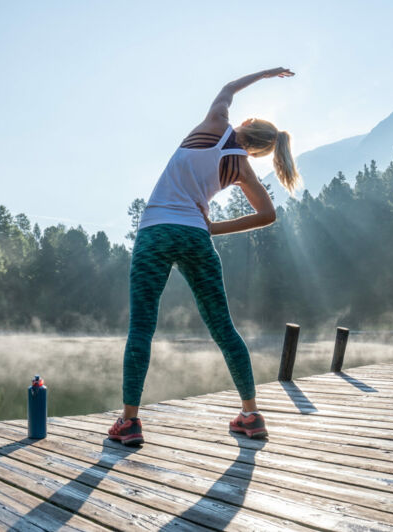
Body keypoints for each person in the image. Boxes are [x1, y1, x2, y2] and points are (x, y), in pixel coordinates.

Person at [108, 67, 302, 446]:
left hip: (155, 232)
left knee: (142, 328)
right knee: (224, 328)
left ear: (246, 121)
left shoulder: (215, 122)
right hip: (196, 237)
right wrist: (213, 229)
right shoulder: (242, 167)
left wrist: (266, 75)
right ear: (261, 151)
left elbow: (229, 87)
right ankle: (251, 414)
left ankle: (129, 422)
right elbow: (268, 214)